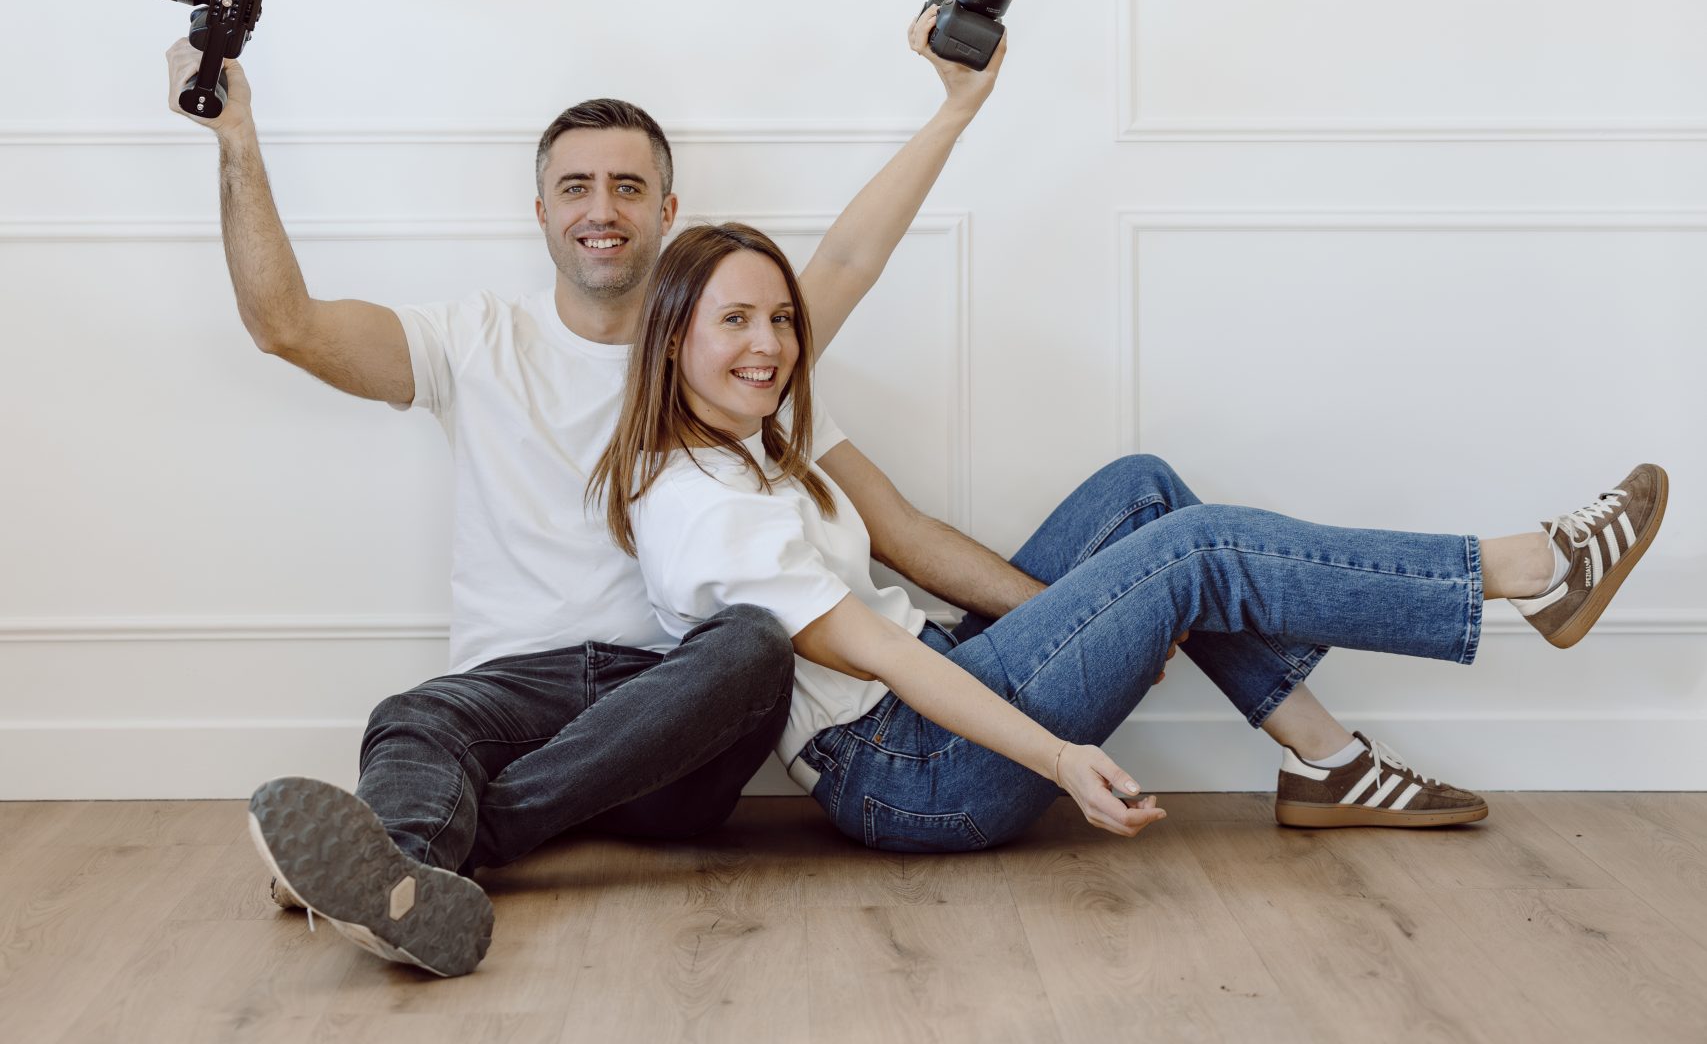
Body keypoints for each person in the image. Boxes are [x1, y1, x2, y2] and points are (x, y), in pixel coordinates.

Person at [168, 8, 1007, 976]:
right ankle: (400, 888)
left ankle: (453, 839)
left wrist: (956, 108)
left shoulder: (730, 357)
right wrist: (235, 136)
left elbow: (853, 262)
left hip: (673, 706)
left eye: (627, 186)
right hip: (509, 691)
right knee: (413, 717)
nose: (601, 207)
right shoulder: (473, 341)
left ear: (666, 211)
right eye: (576, 186)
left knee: (753, 646)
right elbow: (287, 326)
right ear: (542, 214)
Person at [596, 222, 1670, 853]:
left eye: (780, 317)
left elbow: (912, 538)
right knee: (1191, 551)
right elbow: (877, 656)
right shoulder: (701, 507)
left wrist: (1090, 618)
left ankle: (1325, 762)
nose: (770, 344)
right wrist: (1065, 752)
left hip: (936, 680)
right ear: (674, 332)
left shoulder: (769, 420)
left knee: (1142, 495)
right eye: (735, 320)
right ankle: (1522, 570)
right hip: (907, 771)